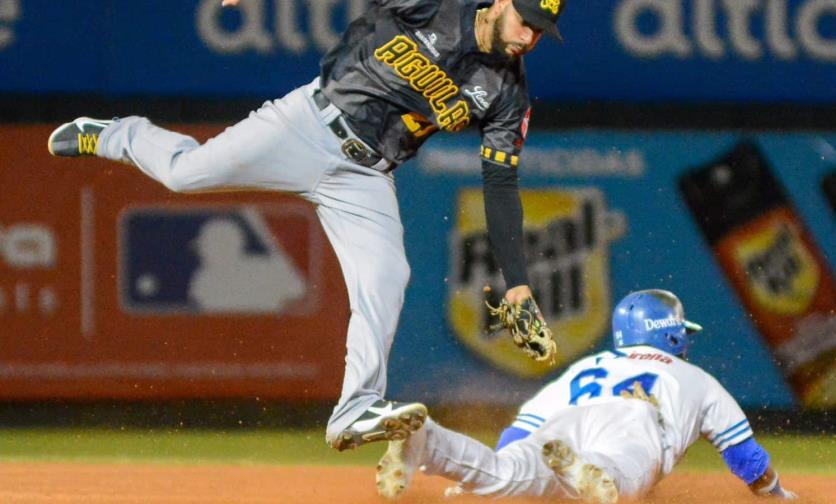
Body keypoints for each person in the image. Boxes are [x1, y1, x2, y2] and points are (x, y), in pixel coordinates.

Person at [46, 0, 565, 451]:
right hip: (307, 124)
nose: (530, 36)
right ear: (500, 2)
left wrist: (518, 284)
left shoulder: (506, 95)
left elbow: (499, 187)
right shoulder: (436, 7)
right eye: (526, 20)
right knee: (186, 174)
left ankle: (355, 409)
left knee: (387, 276)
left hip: (365, 176)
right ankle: (117, 134)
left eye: (541, 30)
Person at [375, 289, 798, 502]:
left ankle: (428, 439)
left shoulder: (589, 366)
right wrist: (776, 493)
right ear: (668, 334)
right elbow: (747, 459)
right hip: (634, 424)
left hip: (568, 422)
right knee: (620, 482)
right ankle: (589, 471)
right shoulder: (696, 378)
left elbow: (520, 432)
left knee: (505, 473)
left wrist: (502, 468)